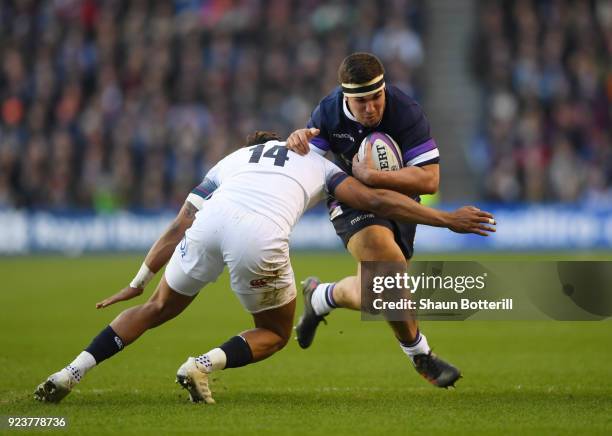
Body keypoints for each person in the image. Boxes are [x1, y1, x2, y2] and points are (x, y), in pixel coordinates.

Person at [34, 131, 495, 404]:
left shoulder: (230, 161)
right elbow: (373, 199)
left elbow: (182, 222)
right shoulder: (315, 160)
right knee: (274, 333)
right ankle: (200, 365)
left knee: (156, 307)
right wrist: (445, 218)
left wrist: (138, 281)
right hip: (259, 234)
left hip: (211, 221)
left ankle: (68, 373)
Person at [287, 52, 461, 387]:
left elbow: (429, 180)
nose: (370, 108)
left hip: (399, 203)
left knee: (376, 294)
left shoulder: (405, 111)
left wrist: (372, 175)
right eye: (361, 101)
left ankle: (322, 296)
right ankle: (421, 356)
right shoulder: (328, 111)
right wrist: (296, 145)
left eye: (376, 98)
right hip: (350, 201)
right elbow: (306, 163)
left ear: (385, 90)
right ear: (345, 97)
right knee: (387, 269)